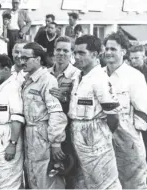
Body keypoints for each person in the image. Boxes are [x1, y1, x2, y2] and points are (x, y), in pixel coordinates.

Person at [69, 35, 121, 189]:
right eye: (75, 53)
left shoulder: (99, 78)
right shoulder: (79, 76)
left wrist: (99, 135)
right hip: (78, 132)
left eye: (82, 53)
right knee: (84, 182)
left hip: (95, 134)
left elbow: (113, 116)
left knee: (105, 183)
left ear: (95, 54)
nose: (76, 57)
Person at [20, 42, 67, 189]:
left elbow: (55, 112)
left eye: (26, 58)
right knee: (32, 175)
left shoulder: (47, 80)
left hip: (42, 134)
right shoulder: (26, 80)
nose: (22, 62)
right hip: (29, 133)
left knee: (46, 178)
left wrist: (56, 142)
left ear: (38, 59)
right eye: (21, 58)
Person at [104, 32, 147, 189]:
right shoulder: (98, 75)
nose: (108, 52)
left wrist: (132, 135)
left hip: (127, 138)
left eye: (113, 49)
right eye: (107, 48)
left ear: (123, 51)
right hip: (102, 137)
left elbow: (143, 110)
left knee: (132, 183)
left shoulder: (134, 76)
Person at [47, 36, 81, 188]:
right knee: (50, 171)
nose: (61, 53)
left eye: (65, 50)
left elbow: (80, 104)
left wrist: (65, 99)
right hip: (48, 127)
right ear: (53, 51)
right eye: (58, 49)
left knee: (69, 168)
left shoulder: (77, 75)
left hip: (69, 129)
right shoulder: (46, 74)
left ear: (72, 53)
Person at [0, 54, 24, 189]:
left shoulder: (13, 87)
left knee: (9, 176)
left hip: (9, 134)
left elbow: (17, 117)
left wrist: (13, 144)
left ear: (6, 69)